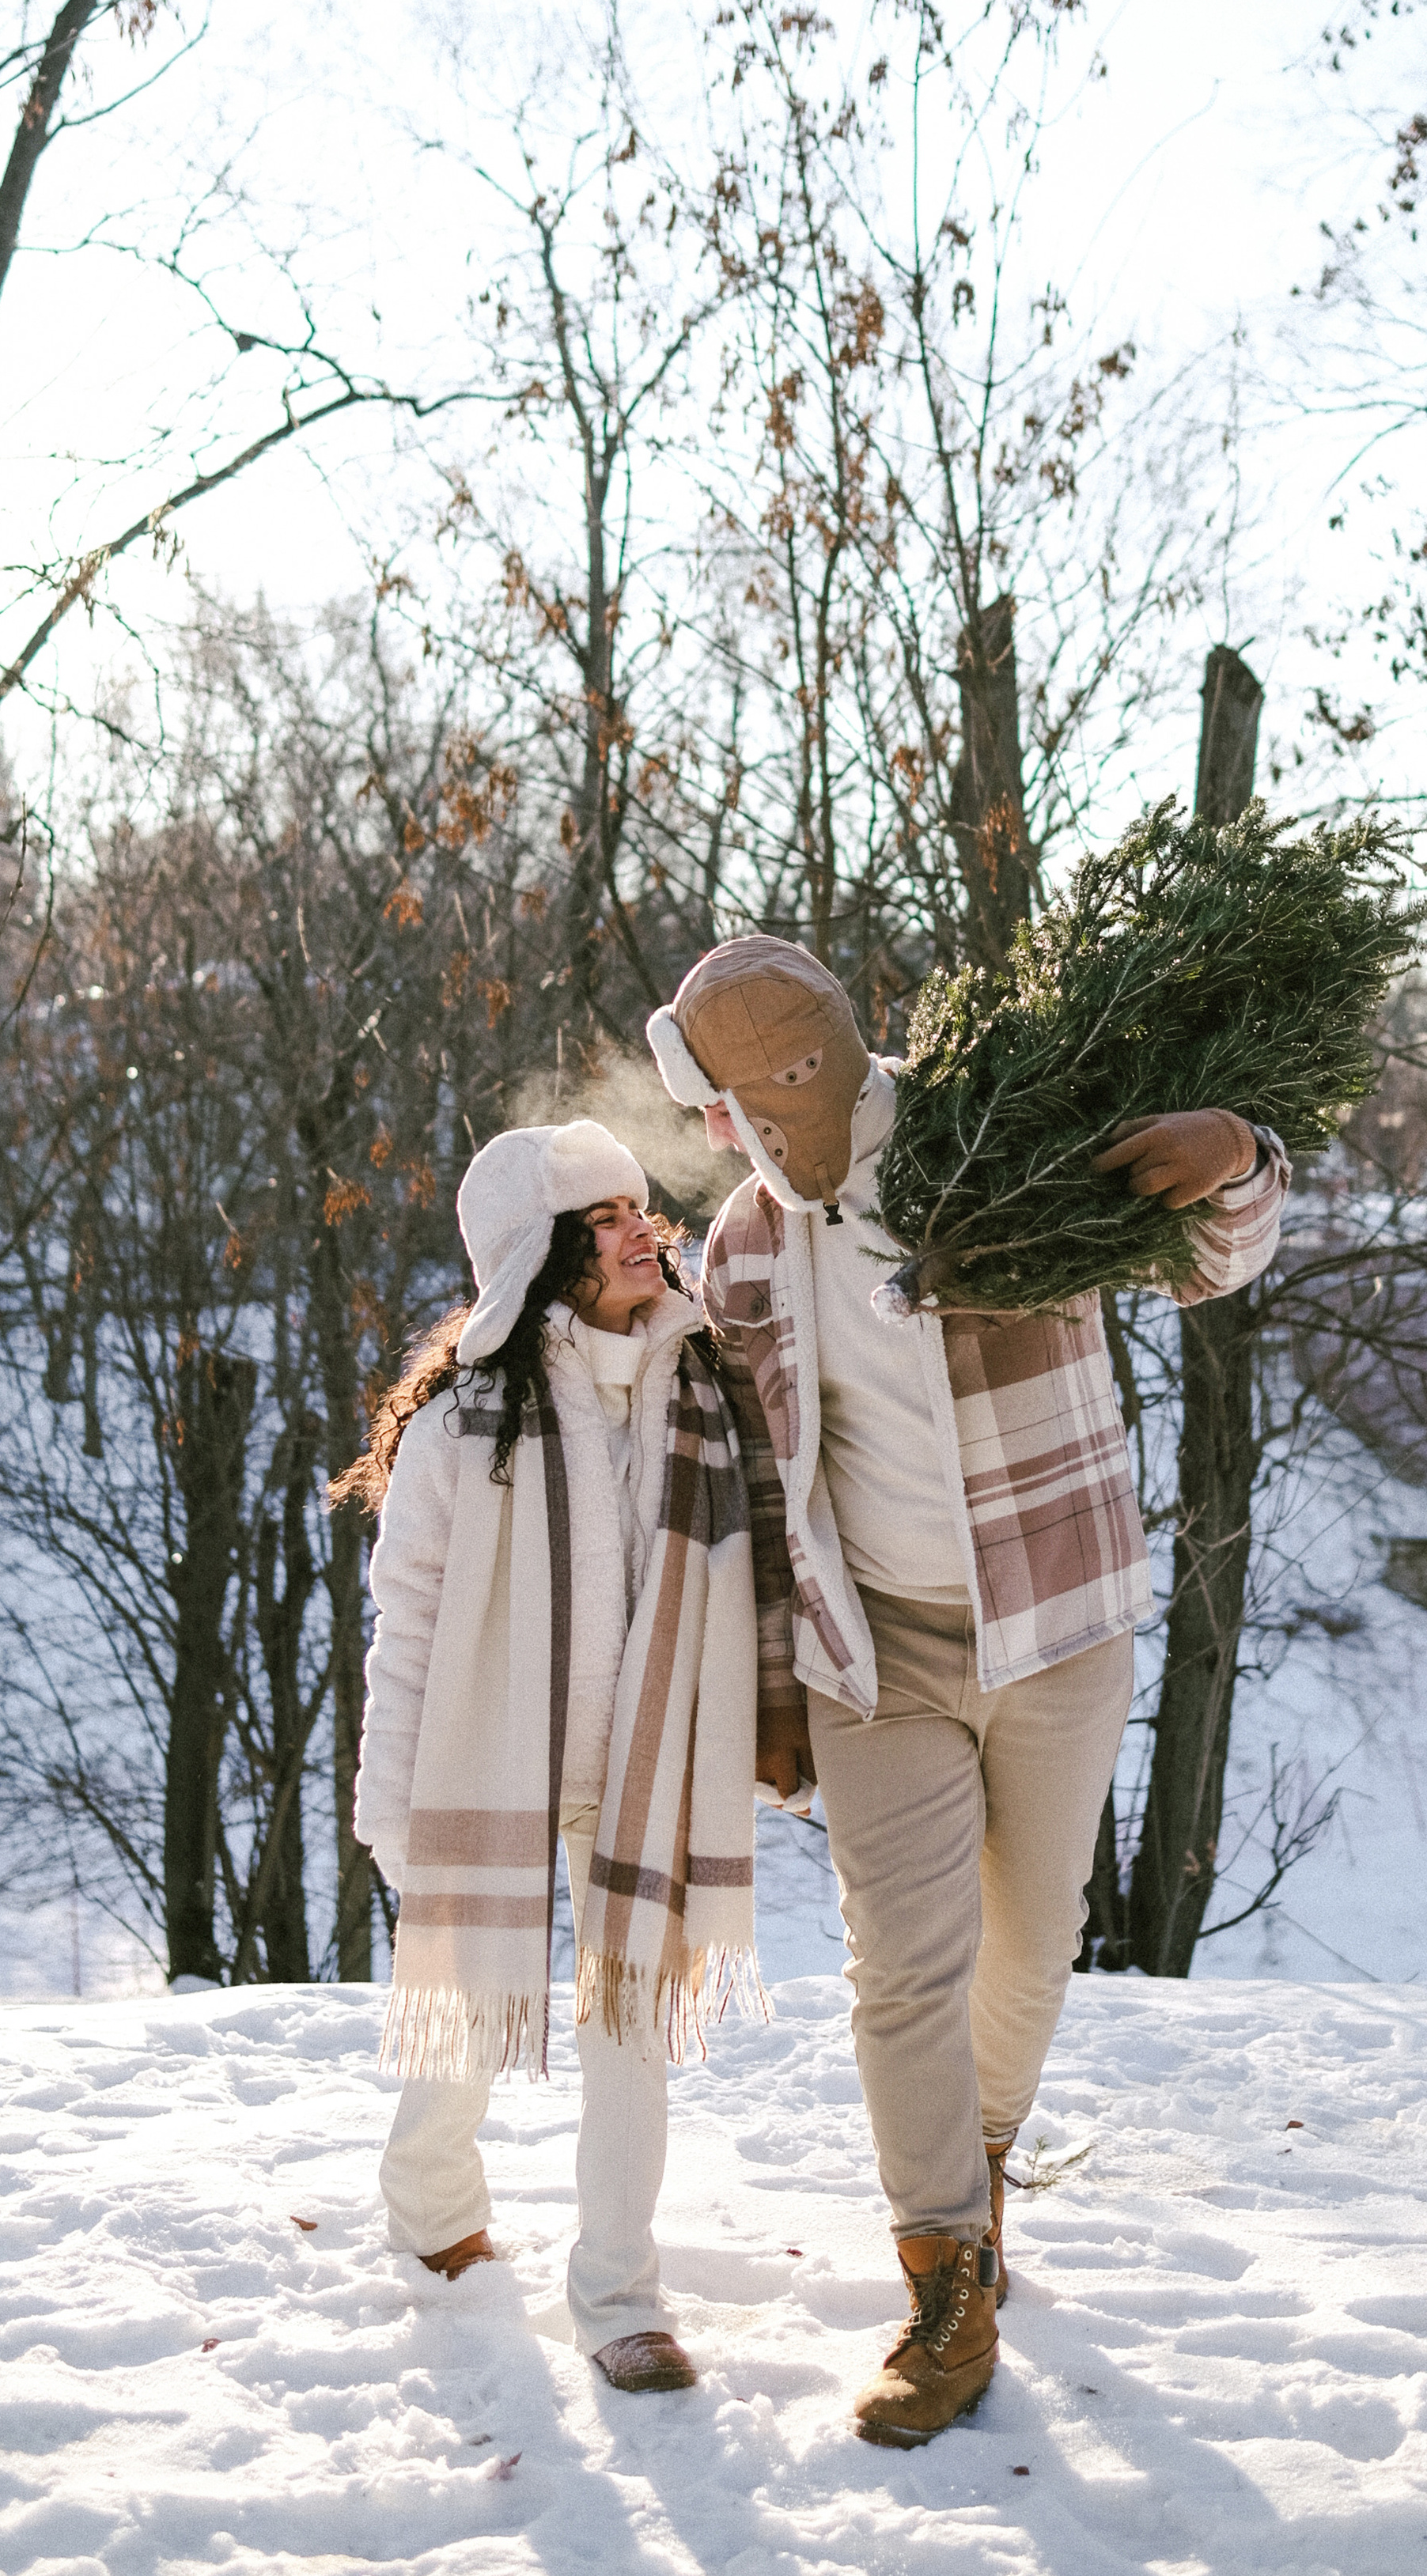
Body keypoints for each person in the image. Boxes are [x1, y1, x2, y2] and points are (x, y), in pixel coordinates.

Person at [646, 938, 1290, 2445]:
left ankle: (983, 2161)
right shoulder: (741, 1250)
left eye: (776, 1093)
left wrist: (1242, 1156)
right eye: (731, 1108)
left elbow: (1211, 1256)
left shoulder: (993, 1138)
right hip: (877, 1651)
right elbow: (753, 1490)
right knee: (900, 1966)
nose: (751, 1131)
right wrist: (777, 1699)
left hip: (1057, 1617)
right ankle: (944, 2273)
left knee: (1036, 1935)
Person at [338, 1118, 759, 2394]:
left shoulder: (701, 1388)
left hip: (646, 1764)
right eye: (608, 1221)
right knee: (461, 2017)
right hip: (495, 1759)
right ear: (543, 1255)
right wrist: (392, 1790)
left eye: (643, 1212)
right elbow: (407, 1611)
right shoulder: (468, 1420)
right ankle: (428, 2209)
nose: (646, 1234)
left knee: (628, 2027)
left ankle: (619, 2296)